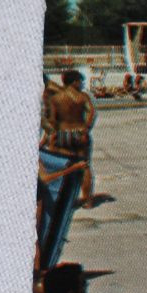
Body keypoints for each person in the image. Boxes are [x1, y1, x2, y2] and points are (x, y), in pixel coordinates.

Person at [43, 70, 97, 209]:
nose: (82, 84)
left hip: (62, 134)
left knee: (60, 166)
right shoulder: (83, 97)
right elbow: (92, 113)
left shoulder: (56, 98)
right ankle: (87, 200)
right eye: (80, 81)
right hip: (79, 133)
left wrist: (48, 138)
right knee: (84, 166)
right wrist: (86, 128)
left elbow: (52, 121)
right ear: (74, 82)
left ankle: (59, 200)